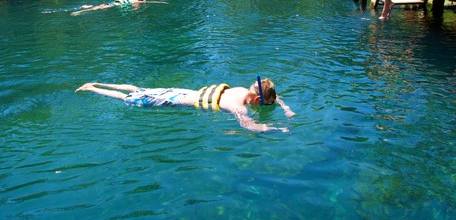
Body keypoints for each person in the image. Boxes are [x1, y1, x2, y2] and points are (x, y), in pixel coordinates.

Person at [75, 77, 295, 133]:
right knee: (129, 99)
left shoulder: (242, 89)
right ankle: (93, 89)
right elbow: (249, 127)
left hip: (179, 91)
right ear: (257, 100)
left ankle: (97, 83)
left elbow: (271, 94)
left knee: (135, 89)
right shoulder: (239, 108)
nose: (268, 106)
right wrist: (275, 128)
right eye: (266, 105)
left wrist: (284, 107)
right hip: (173, 101)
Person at [70, 0, 163, 15]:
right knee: (96, 9)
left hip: (112, 3)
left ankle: (85, 7)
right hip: (114, 5)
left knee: (97, 7)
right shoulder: (136, 1)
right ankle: (79, 12)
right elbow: (138, 7)